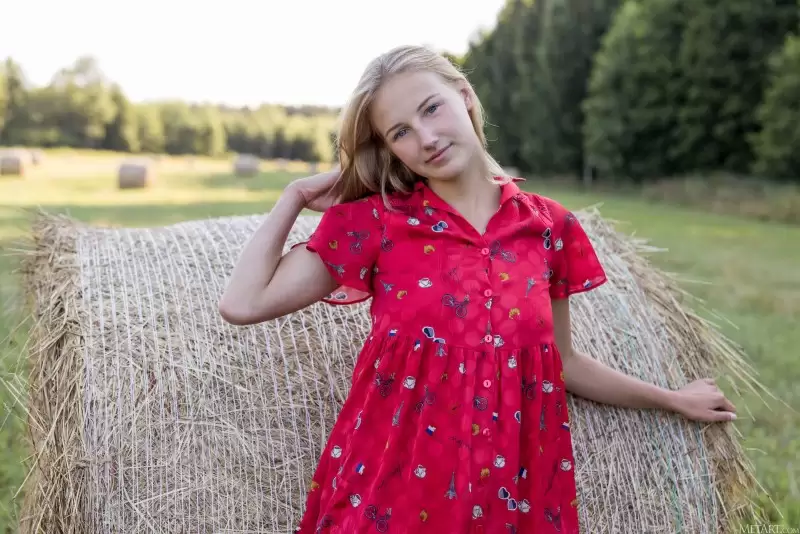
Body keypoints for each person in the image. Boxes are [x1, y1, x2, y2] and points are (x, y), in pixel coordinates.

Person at [218, 44, 737, 534]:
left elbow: (563, 362)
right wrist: (293, 197)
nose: (426, 137)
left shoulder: (548, 227)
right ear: (389, 148)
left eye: (432, 108)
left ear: (464, 96)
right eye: (400, 132)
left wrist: (672, 399)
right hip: (389, 502)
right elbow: (243, 303)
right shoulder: (377, 223)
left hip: (511, 503)